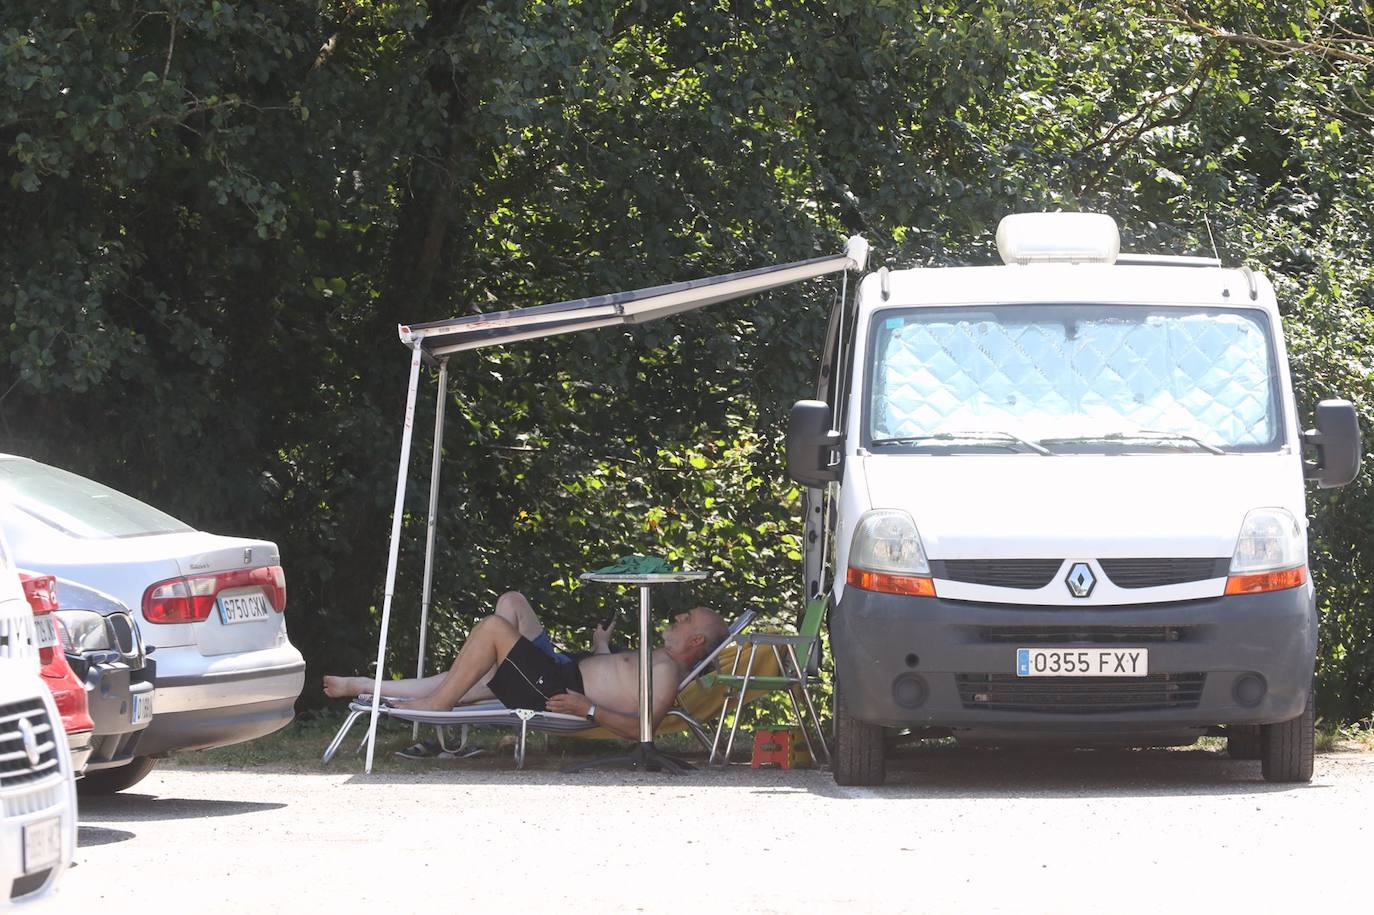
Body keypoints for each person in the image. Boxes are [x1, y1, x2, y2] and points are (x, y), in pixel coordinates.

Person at [323, 591, 729, 740]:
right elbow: (619, 681)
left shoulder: (668, 671)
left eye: (687, 619)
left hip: (555, 688)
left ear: (695, 641)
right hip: (562, 666)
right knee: (512, 602)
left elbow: (644, 728)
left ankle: (440, 702)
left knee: (493, 629)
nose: (677, 618)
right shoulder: (657, 660)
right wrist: (602, 648)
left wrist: (587, 710)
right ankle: (371, 684)